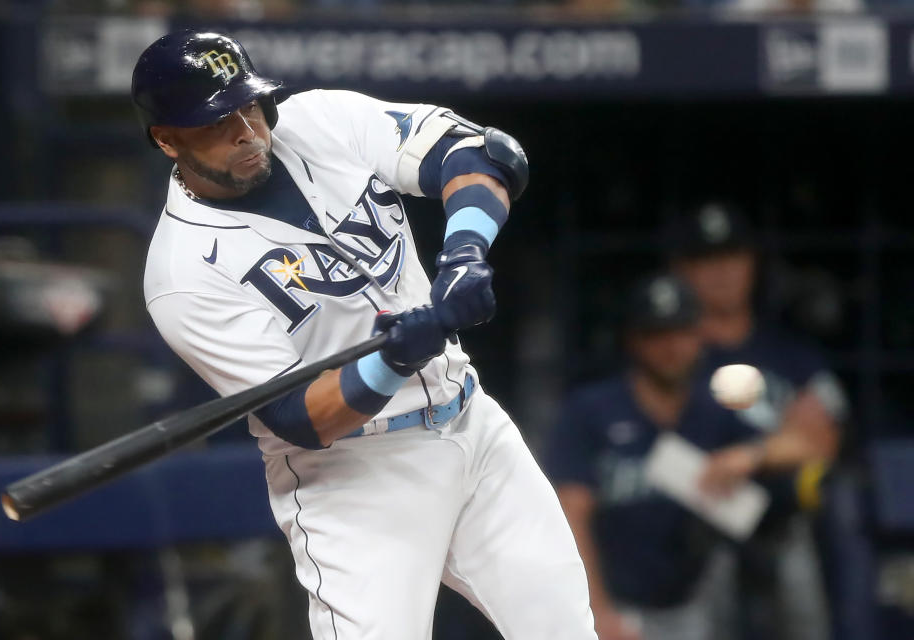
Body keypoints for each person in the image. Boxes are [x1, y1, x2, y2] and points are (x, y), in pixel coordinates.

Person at [132, 31, 597, 640]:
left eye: (248, 106)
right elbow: (302, 418)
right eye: (215, 122)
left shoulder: (323, 120)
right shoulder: (183, 274)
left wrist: (465, 250)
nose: (245, 131)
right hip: (356, 478)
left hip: (472, 424)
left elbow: (480, 154)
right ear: (166, 140)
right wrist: (393, 362)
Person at [546, 273, 767, 640]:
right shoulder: (592, 410)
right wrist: (596, 611)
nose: (672, 347)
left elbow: (806, 443)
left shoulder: (716, 409)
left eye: (682, 332)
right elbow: (571, 514)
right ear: (633, 340)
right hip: (618, 608)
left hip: (697, 604)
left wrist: (752, 454)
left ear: (699, 335)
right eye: (657, 334)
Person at [670, 202, 847, 640]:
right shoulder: (667, 356)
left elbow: (824, 439)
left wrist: (753, 454)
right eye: (705, 260)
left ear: (752, 263)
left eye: (731, 257)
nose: (721, 272)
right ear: (681, 270)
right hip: (695, 523)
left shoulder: (792, 355)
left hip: (784, 524)